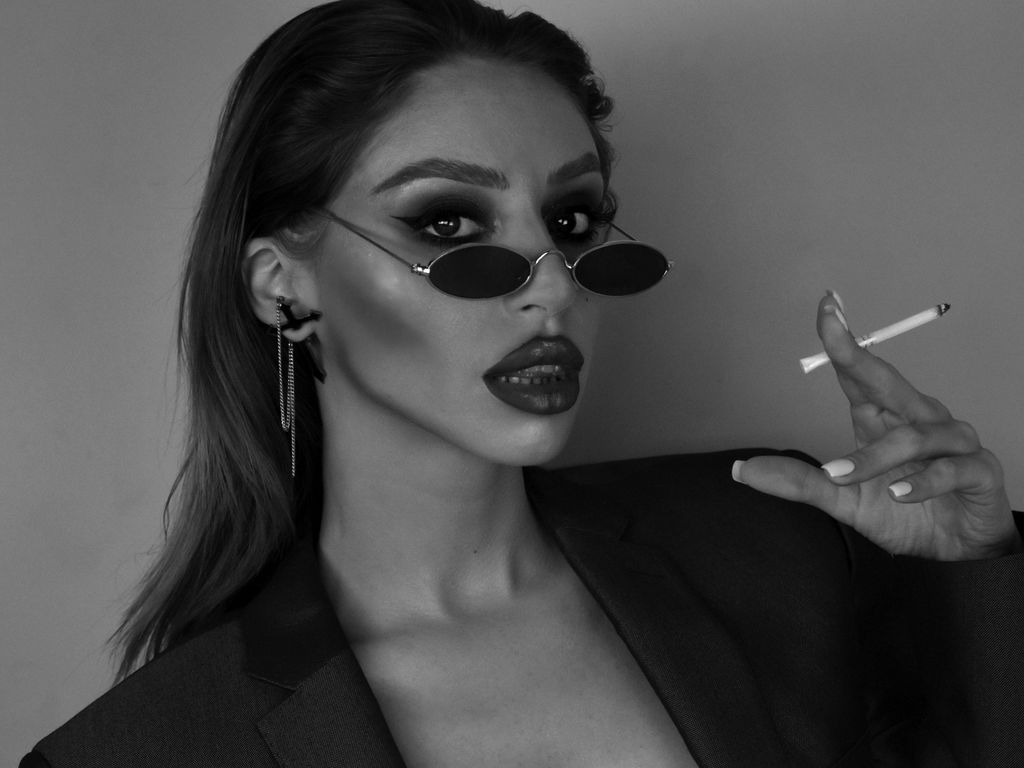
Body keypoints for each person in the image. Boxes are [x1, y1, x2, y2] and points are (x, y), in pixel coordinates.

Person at [21, 0, 1024, 766]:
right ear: (283, 288)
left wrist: (979, 575)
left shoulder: (778, 545)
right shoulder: (149, 749)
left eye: (572, 221)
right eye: (448, 223)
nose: (552, 286)